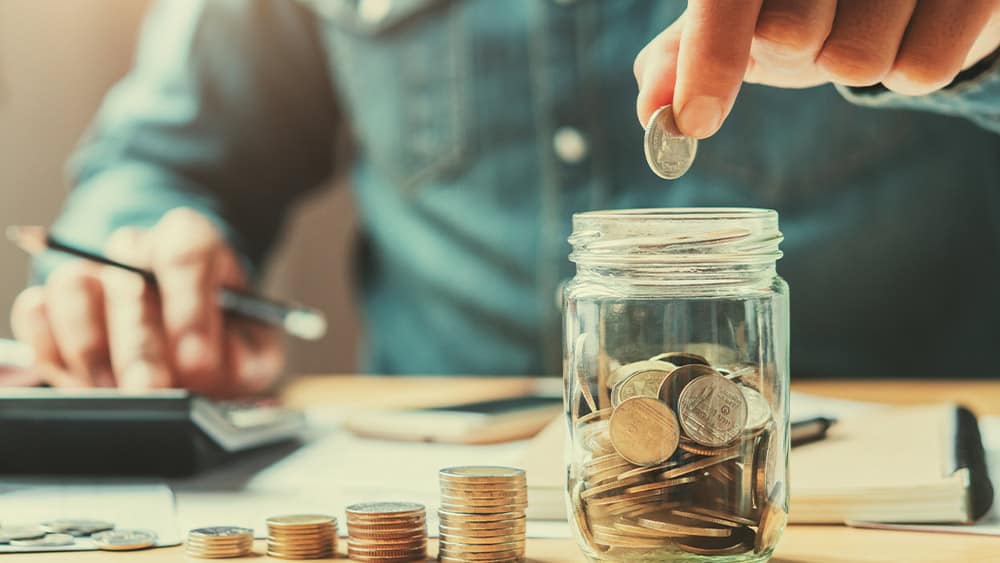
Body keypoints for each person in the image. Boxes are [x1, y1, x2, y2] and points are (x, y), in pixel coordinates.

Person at [10, 0, 1000, 396]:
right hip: (438, 499)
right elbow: (166, 160)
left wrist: (980, 42)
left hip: (890, 477)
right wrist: (128, 251)